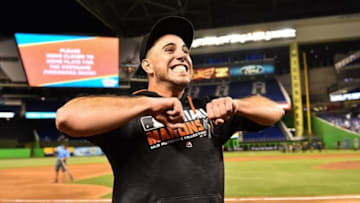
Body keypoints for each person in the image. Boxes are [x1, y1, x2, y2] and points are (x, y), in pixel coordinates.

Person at [56, 16, 284, 203]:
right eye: (169, 49)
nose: (182, 55)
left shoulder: (211, 109)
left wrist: (237, 105)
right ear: (147, 65)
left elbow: (274, 111)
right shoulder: (128, 112)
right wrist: (148, 104)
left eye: (185, 50)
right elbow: (66, 117)